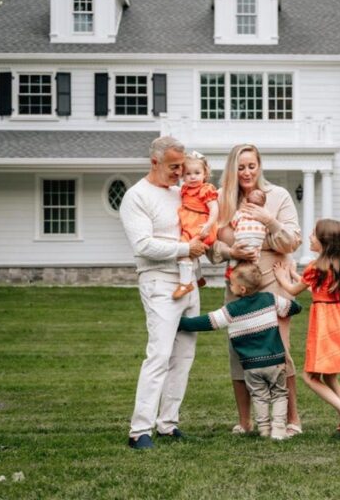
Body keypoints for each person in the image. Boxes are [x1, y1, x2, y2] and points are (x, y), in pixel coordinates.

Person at [208, 144, 304, 436]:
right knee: (240, 350)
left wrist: (268, 222)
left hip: (274, 279)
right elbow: (211, 245)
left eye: (252, 165)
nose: (247, 172)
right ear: (232, 169)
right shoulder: (221, 199)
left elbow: (291, 241)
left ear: (259, 166)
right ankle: (245, 421)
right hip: (238, 283)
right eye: (241, 167)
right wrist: (229, 250)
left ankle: (292, 420)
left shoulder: (278, 196)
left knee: (280, 350)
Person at [120, 136, 208, 450]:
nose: (179, 172)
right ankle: (138, 431)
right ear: (154, 162)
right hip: (159, 283)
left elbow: (196, 227)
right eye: (173, 167)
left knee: (183, 356)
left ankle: (168, 425)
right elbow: (143, 246)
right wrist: (186, 248)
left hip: (189, 282)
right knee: (158, 354)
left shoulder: (180, 193)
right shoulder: (136, 197)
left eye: (182, 167)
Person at [178, 263, 302, 440]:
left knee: (259, 396)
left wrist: (180, 323)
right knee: (280, 394)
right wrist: (296, 306)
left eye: (232, 283)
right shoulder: (270, 299)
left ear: (242, 289)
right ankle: (279, 429)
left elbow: (206, 322)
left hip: (251, 366)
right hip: (275, 361)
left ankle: (264, 428)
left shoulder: (231, 311)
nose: (230, 286)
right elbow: (293, 308)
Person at [273, 219, 340, 437]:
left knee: (310, 377)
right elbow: (315, 285)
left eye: (314, 235)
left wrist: (281, 277)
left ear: (325, 242)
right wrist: (296, 275)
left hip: (327, 324)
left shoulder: (316, 266)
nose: (310, 238)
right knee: (331, 377)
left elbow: (294, 290)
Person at [173, 151, 219, 300]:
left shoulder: (205, 189)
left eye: (197, 173)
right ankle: (198, 278)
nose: (192, 177)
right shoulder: (185, 190)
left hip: (201, 228)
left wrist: (209, 224)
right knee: (188, 251)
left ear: (205, 174)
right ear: (182, 175)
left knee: (184, 253)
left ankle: (185, 283)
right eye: (188, 174)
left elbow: (214, 209)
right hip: (188, 227)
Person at [226, 189, 268, 276]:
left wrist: (236, 227)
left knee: (237, 255)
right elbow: (268, 224)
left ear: (247, 201)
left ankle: (231, 269)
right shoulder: (264, 213)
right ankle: (255, 270)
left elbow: (233, 223)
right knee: (255, 257)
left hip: (242, 239)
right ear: (263, 204)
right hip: (257, 240)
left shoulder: (241, 212)